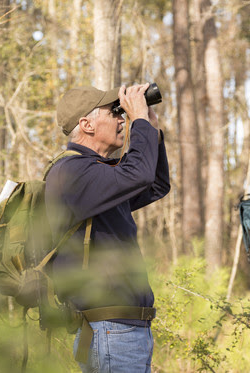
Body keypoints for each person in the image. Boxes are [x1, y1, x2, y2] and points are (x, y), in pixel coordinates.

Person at [45, 83, 170, 372]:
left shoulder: (95, 171)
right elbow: (138, 174)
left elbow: (155, 183)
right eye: (112, 112)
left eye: (121, 112)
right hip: (110, 330)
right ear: (86, 124)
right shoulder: (72, 172)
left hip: (118, 330)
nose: (121, 117)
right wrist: (138, 121)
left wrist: (149, 126)